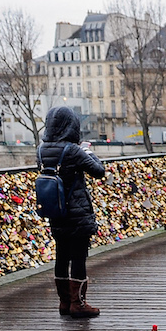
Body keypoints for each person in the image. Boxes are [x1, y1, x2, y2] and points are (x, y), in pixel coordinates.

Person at [39, 106, 106, 318]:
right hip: (77, 212)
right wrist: (88, 151)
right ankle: (78, 303)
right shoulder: (73, 150)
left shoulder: (41, 149)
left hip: (55, 211)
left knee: (61, 256)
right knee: (78, 257)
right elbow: (99, 171)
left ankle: (64, 302)